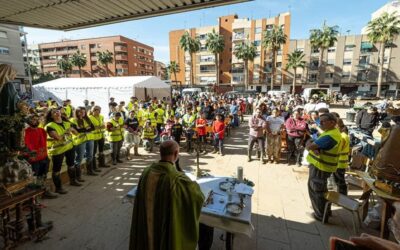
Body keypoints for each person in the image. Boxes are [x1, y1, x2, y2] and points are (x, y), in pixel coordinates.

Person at [129, 140, 204, 250]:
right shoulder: (176, 179)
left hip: (146, 226)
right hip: (165, 227)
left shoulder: (146, 172)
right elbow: (198, 196)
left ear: (160, 153)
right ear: (176, 154)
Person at [305, 113, 342, 221]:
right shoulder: (329, 132)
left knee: (317, 190)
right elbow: (312, 142)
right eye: (319, 121)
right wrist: (312, 145)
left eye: (323, 121)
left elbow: (310, 145)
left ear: (332, 122)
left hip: (320, 166)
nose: (320, 123)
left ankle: (320, 215)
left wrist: (311, 146)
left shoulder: (330, 136)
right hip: (321, 166)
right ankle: (325, 211)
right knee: (321, 189)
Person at [25, 114, 58, 198]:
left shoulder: (42, 130)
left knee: (43, 176)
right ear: (28, 121)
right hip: (34, 159)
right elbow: (26, 145)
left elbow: (43, 141)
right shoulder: (26, 131)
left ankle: (44, 192)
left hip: (44, 157)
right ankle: (33, 197)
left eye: (36, 119)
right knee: (33, 178)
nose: (35, 121)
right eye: (32, 119)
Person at [45, 108, 76, 194]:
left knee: (71, 165)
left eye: (57, 111)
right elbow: (57, 138)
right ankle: (58, 188)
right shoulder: (49, 126)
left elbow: (76, 133)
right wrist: (67, 132)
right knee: (56, 169)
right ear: (51, 116)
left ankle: (73, 181)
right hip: (57, 150)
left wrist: (73, 130)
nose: (56, 113)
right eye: (54, 112)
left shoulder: (67, 123)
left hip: (69, 147)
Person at [334, 118, 350, 195]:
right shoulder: (341, 135)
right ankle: (340, 196)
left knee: (340, 180)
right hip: (338, 161)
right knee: (338, 180)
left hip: (340, 162)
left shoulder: (343, 136)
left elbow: (338, 148)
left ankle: (343, 197)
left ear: (337, 125)